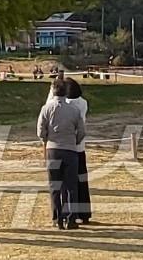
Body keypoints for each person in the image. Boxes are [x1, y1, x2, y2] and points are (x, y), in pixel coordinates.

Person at [37, 78, 85, 230]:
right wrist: (74, 141)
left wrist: (46, 140)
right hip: (70, 150)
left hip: (53, 150)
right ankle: (71, 219)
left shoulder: (46, 108)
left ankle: (57, 218)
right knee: (71, 186)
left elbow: (40, 130)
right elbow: (82, 131)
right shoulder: (75, 110)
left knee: (55, 185)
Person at [63, 78, 92, 223]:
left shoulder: (67, 105)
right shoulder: (83, 103)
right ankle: (84, 213)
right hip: (80, 147)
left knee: (68, 183)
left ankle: (69, 212)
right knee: (82, 180)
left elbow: (50, 103)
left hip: (67, 146)